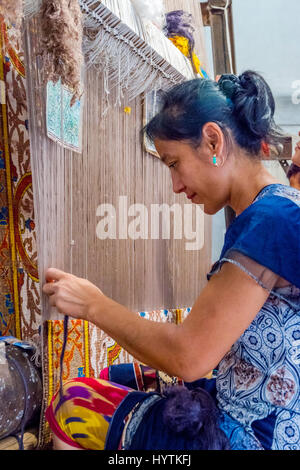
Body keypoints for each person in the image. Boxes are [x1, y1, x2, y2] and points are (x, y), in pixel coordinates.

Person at [43, 71, 300, 451]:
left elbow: (188, 356)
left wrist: (92, 304)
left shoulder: (270, 221)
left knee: (73, 402)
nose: (175, 186)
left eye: (173, 163)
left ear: (214, 140)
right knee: (120, 374)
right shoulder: (278, 207)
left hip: (253, 435)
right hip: (259, 405)